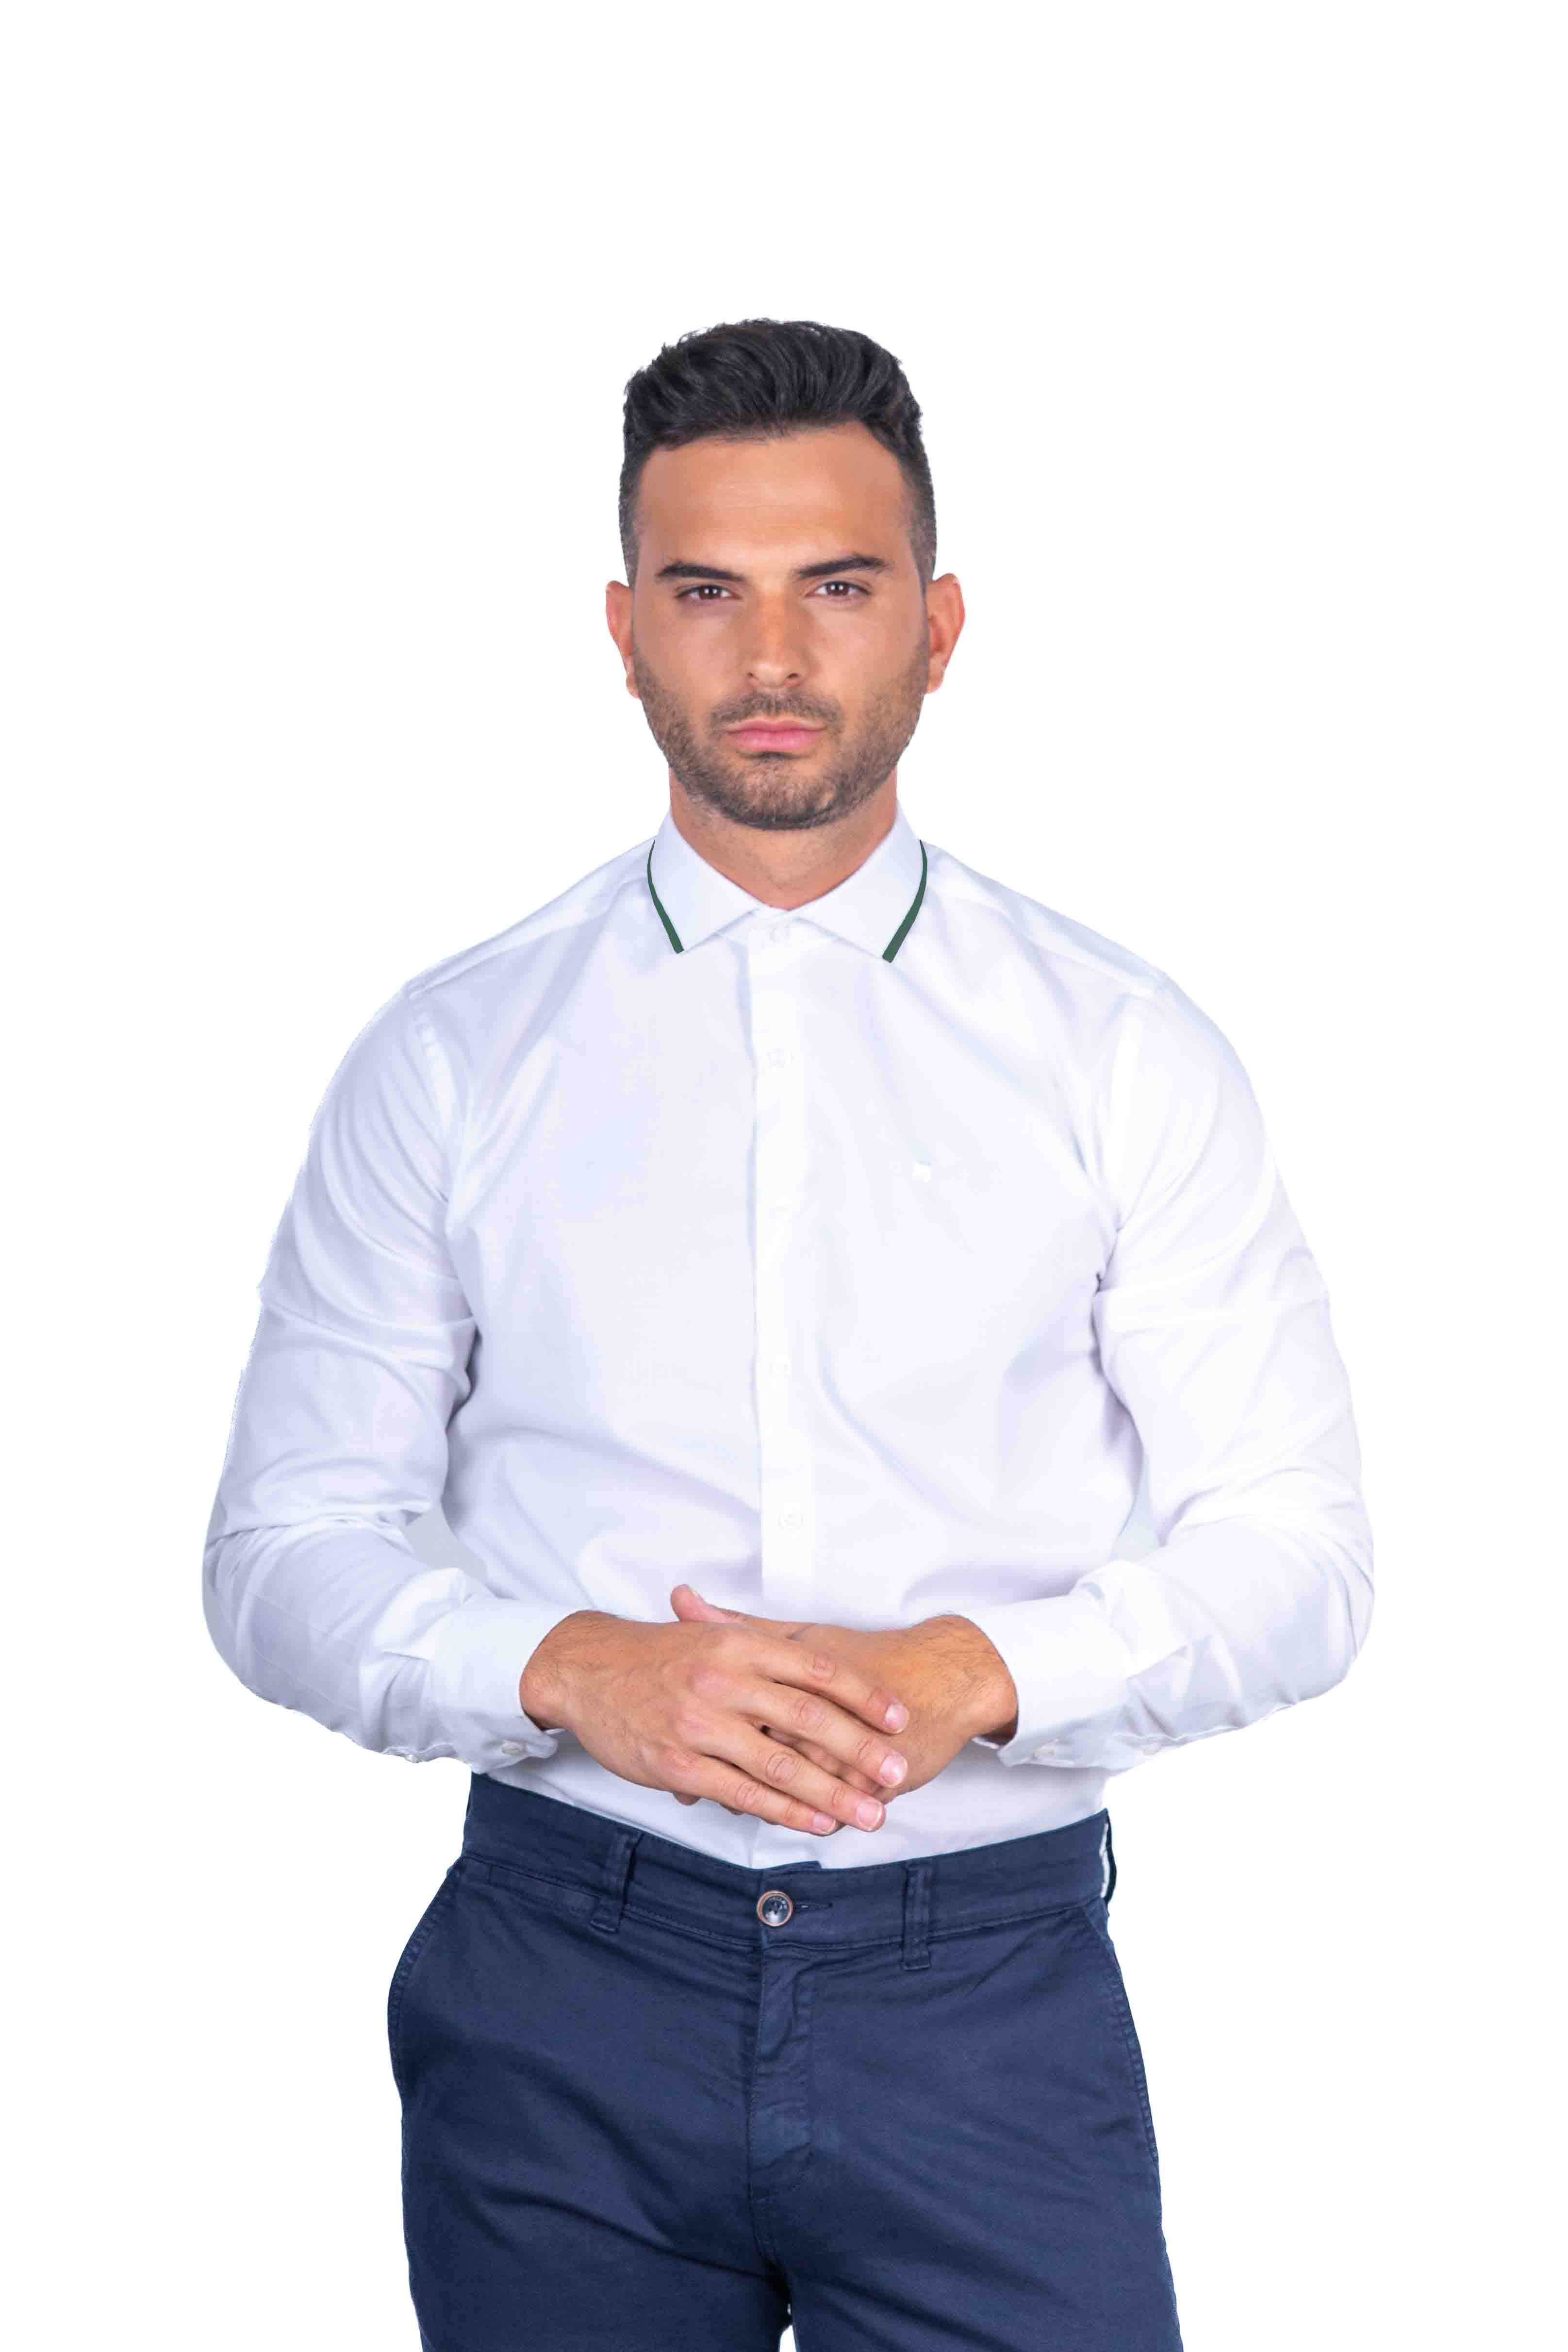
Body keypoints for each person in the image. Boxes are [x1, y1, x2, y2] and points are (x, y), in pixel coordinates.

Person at [203, 316, 1374, 2351]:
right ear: (621, 630)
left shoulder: (1121, 1051)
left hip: (984, 2001)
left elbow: (1299, 1553)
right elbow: (279, 1551)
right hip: (563, 1989)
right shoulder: (454, 1054)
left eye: (833, 589)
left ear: (936, 623)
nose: (768, 659)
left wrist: (979, 1672)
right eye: (704, 593)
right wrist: (568, 1669)